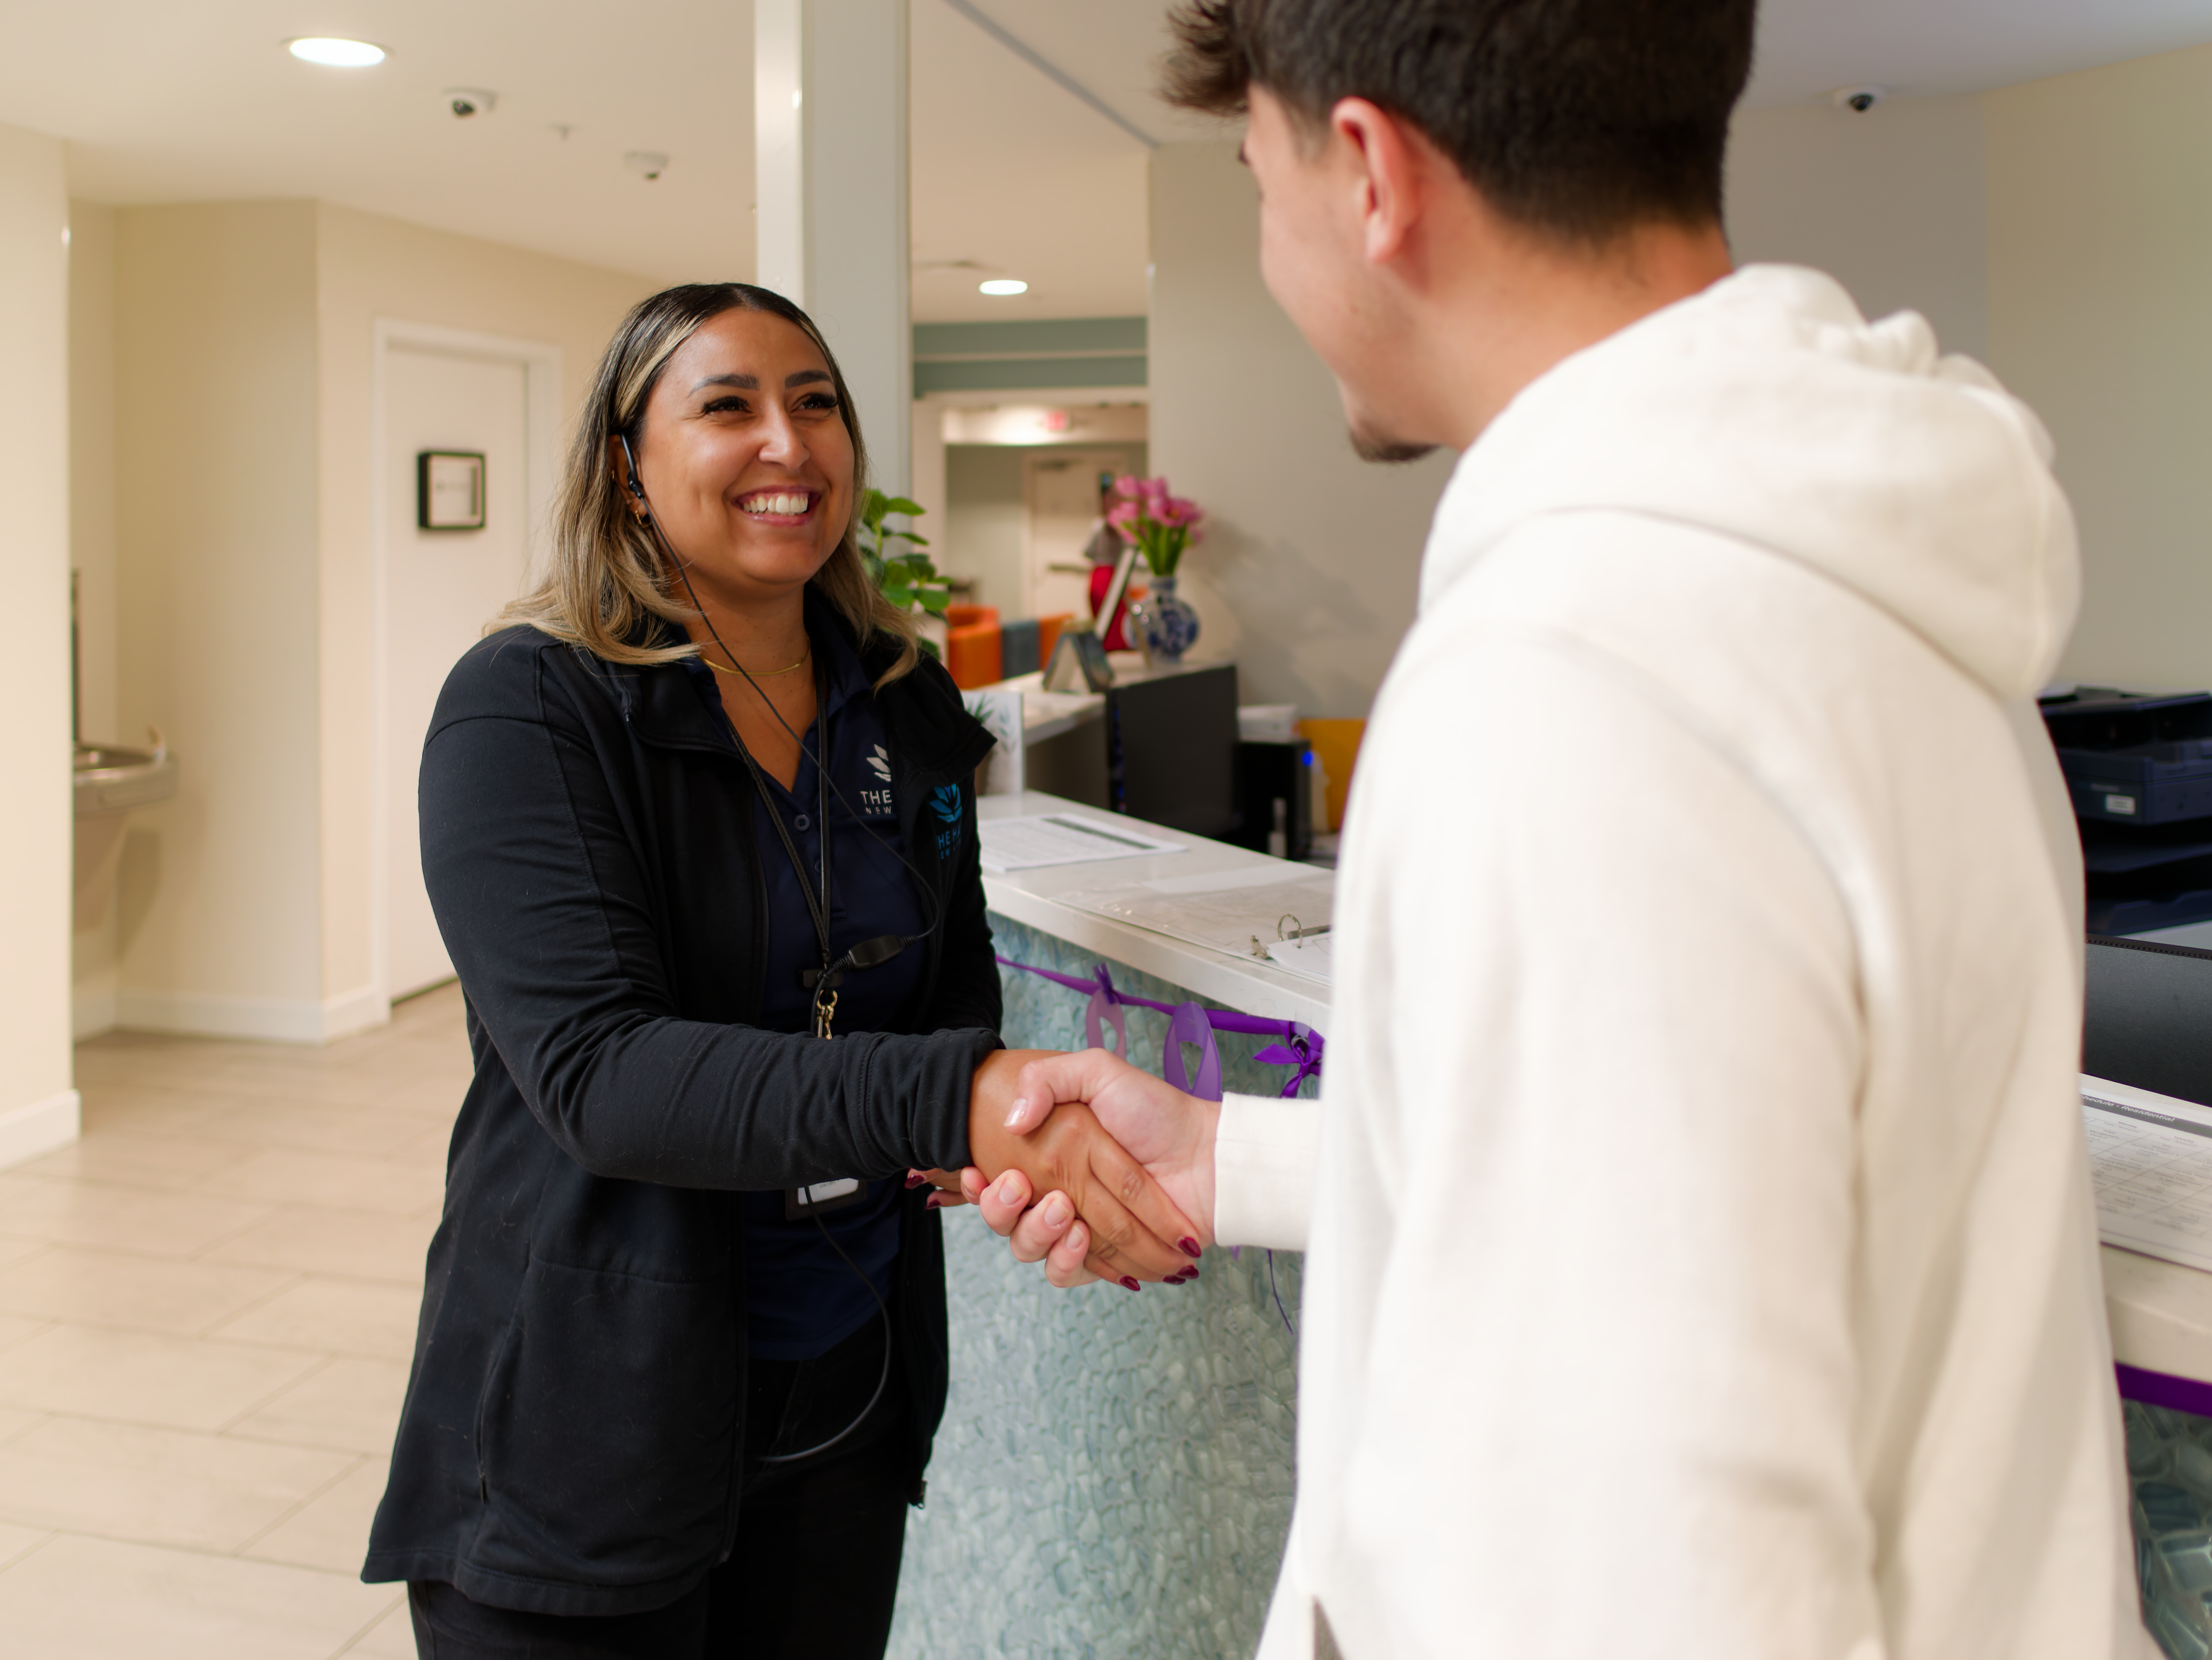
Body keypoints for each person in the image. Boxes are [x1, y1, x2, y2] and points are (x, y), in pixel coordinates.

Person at [952, 2, 2151, 1656]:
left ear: (1369, 175)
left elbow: (1657, 1584)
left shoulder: (1571, 680)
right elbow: (1749, 1200)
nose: (1274, 251)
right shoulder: (1873, 574)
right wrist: (1232, 1158)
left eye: (1258, 182)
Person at [360, 282, 1197, 1660]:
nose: (787, 444)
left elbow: (952, 985)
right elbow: (602, 1077)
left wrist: (993, 1135)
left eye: (816, 404)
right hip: (592, 1409)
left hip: (847, 1385)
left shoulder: (904, 702)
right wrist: (959, 1102)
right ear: (625, 468)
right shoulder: (531, 705)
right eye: (727, 406)